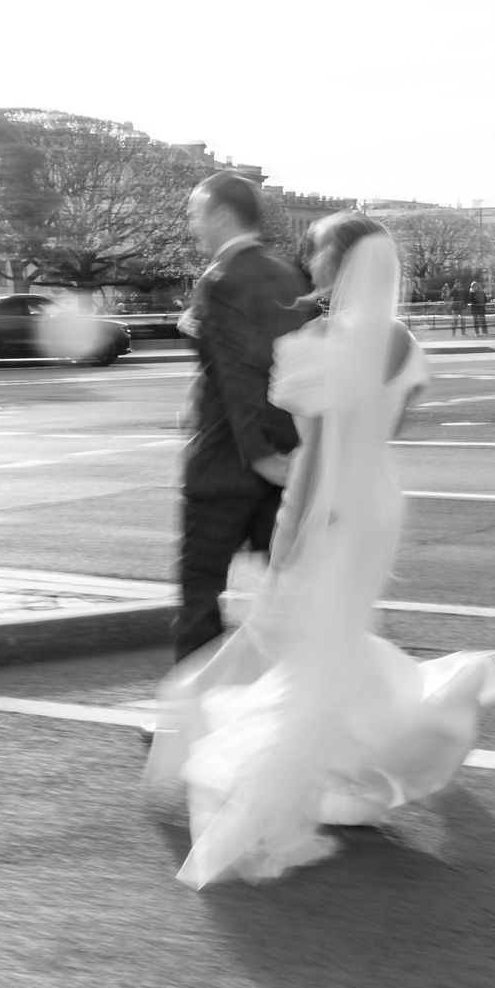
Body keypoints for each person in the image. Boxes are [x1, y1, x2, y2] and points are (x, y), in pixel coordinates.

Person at [149, 212, 495, 888]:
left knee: (289, 641)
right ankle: (358, 760)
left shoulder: (318, 340)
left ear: (339, 265)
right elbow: (391, 426)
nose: (308, 266)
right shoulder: (401, 340)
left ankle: (287, 774)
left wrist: (289, 531)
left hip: (328, 507)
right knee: (334, 638)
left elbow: (315, 454)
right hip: (379, 501)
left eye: (316, 255)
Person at [173, 172, 312, 663]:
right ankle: (293, 703)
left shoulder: (222, 280)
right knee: (292, 596)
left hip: (227, 464)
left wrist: (256, 455)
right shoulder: (284, 274)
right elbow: (288, 366)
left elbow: (238, 376)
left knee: (200, 590)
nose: (192, 225)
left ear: (223, 216)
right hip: (285, 459)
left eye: (196, 214)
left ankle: (189, 717)